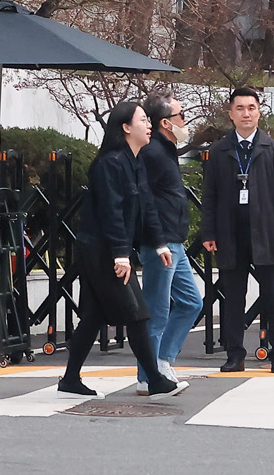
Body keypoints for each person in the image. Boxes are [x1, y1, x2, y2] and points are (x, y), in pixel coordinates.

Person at [59, 99, 186, 398]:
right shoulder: (110, 163)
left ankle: (70, 380)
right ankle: (154, 380)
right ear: (126, 127)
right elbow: (111, 212)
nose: (149, 125)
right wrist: (120, 254)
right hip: (101, 251)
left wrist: (159, 244)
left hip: (111, 250)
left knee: (93, 316)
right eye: (143, 120)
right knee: (137, 312)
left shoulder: (135, 161)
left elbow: (147, 207)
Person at [200, 86, 274, 373]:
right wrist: (209, 233)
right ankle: (235, 354)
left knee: (273, 296)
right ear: (230, 114)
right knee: (233, 298)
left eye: (251, 108)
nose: (246, 113)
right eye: (240, 108)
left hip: (268, 233)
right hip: (230, 234)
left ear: (259, 112)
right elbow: (210, 196)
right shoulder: (220, 151)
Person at [135, 95, 203, 394]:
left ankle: (162, 361)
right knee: (157, 310)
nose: (185, 121)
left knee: (191, 303)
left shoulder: (165, 150)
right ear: (165, 122)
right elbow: (144, 200)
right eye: (181, 115)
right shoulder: (152, 153)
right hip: (160, 243)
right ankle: (148, 375)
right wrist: (157, 240)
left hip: (173, 241)